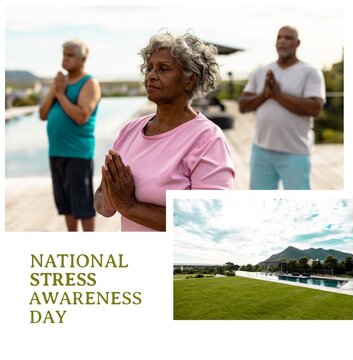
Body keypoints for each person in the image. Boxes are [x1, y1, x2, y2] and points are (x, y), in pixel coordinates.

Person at [94, 31, 235, 232]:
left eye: (163, 68)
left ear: (190, 80)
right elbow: (100, 200)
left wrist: (130, 207)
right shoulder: (130, 130)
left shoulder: (206, 139)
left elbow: (212, 220)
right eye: (149, 68)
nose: (151, 75)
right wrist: (109, 196)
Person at [239, 25, 325, 190]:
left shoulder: (310, 72)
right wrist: (264, 95)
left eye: (288, 38)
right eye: (279, 37)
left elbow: (315, 108)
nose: (282, 41)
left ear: (297, 43)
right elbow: (243, 106)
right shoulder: (262, 71)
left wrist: (277, 94)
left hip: (295, 153)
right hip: (261, 151)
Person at [39, 39, 101, 231]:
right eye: (64, 54)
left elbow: (82, 116)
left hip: (77, 154)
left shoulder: (89, 83)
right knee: (66, 205)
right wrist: (55, 90)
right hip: (56, 152)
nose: (65, 58)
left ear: (83, 59)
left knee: (83, 205)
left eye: (70, 55)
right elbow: (43, 114)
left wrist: (60, 95)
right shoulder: (60, 83)